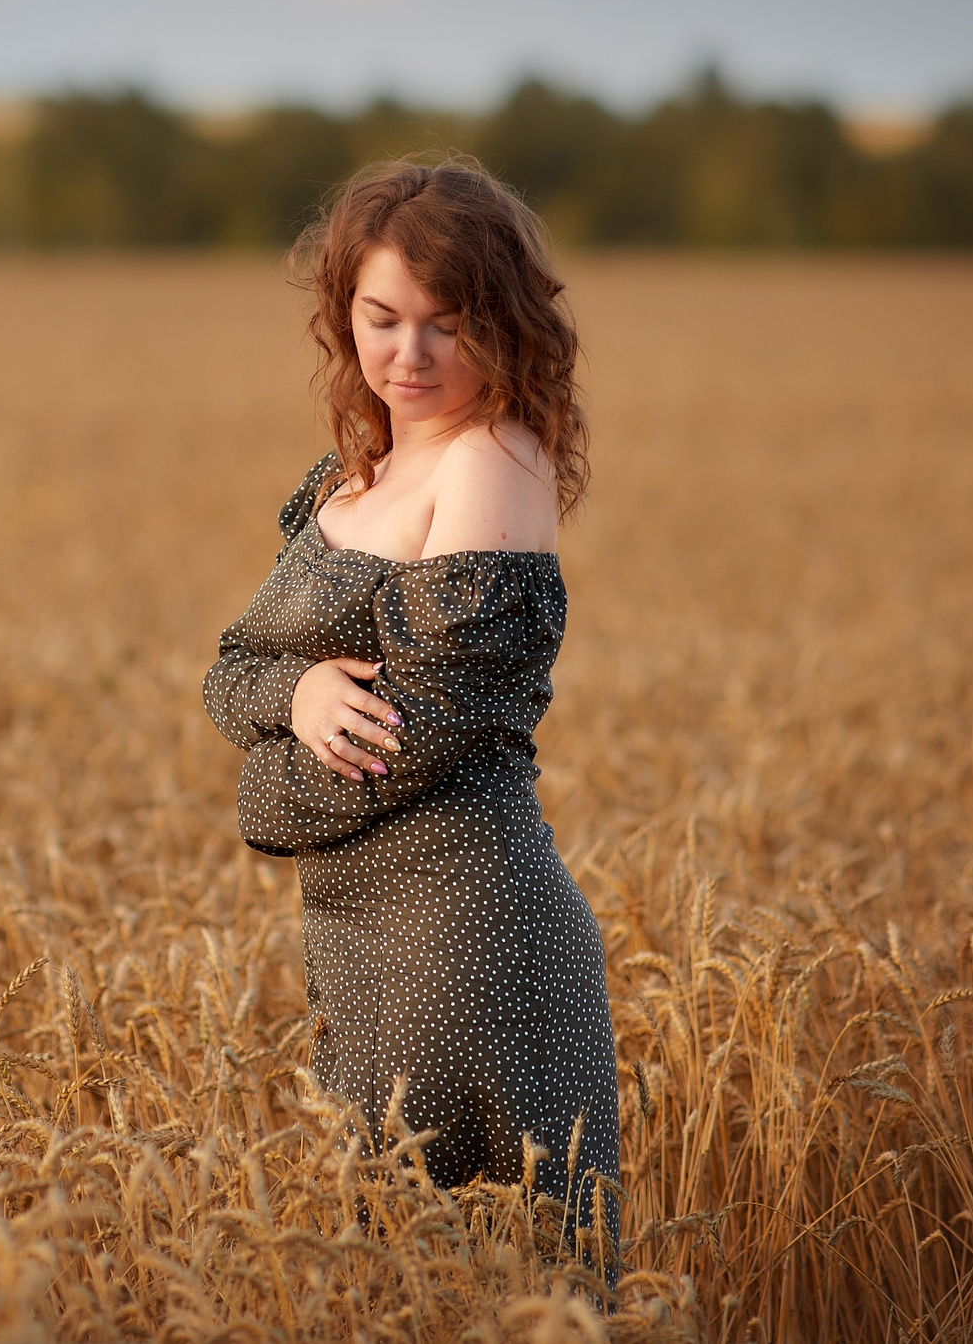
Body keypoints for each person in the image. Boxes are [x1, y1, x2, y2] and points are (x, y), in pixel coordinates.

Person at [201, 157, 622, 1274]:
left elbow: (417, 732)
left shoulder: (492, 462)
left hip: (469, 937)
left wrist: (256, 789)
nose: (410, 356)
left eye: (447, 324)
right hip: (355, 944)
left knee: (486, 1289)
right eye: (382, 318)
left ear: (506, 325)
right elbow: (229, 669)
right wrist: (295, 692)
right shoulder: (355, 473)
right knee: (391, 1284)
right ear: (343, 313)